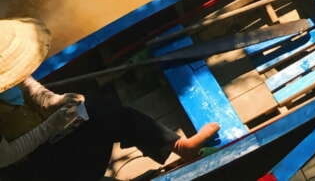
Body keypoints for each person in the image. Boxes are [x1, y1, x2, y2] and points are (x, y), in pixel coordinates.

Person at [0, 17, 220, 180]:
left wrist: (54, 101)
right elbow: (6, 156)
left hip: (47, 135)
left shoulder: (9, 64)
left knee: (103, 110)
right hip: (26, 166)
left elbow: (29, 86)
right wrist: (52, 125)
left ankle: (181, 146)